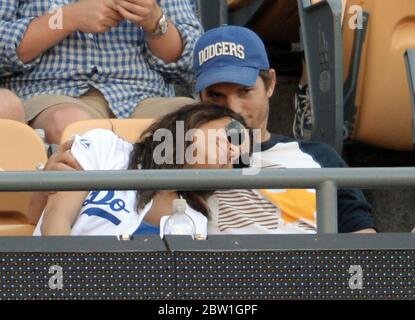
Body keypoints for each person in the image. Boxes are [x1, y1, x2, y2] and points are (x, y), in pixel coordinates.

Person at [33, 25, 376, 234]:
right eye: (216, 95)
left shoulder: (316, 157)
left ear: (270, 83)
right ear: (198, 99)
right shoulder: (175, 163)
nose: (233, 108)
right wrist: (46, 186)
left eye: (245, 91)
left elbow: (362, 243)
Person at [0, 0, 202, 143]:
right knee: (72, 125)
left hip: (143, 96)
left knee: (201, 126)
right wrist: (67, 18)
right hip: (53, 94)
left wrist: (156, 22)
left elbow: (192, 63)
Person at [33, 103, 250, 236]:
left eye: (239, 156)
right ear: (199, 118)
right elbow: (56, 219)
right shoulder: (105, 146)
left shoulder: (196, 221)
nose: (233, 150)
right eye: (233, 133)